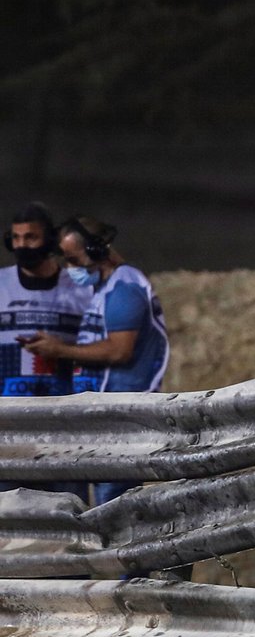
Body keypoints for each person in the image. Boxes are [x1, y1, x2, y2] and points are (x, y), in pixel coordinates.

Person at [25, 216, 170, 505]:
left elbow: (119, 350)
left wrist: (60, 350)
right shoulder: (104, 289)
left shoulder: (124, 289)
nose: (70, 268)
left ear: (95, 251)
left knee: (113, 506)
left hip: (121, 419)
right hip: (105, 416)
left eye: (73, 259)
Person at [0, 202, 91, 501]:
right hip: (7, 428)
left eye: (31, 238)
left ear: (50, 241)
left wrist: (61, 349)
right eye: (17, 238)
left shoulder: (80, 289)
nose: (22, 245)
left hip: (64, 426)